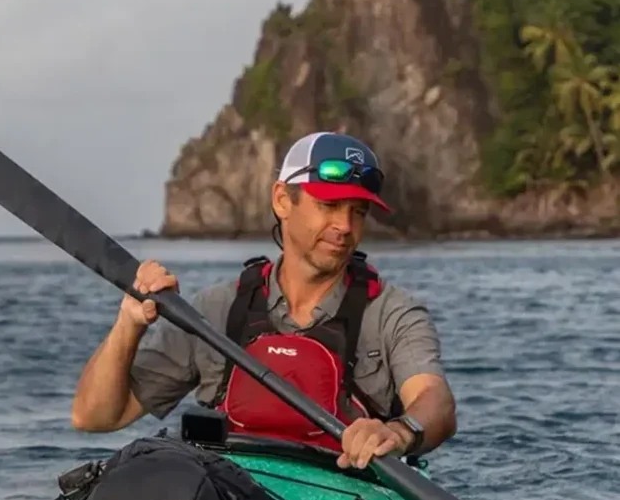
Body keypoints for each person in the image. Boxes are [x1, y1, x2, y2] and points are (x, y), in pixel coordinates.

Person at [71, 132, 456, 469]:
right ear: (282, 201)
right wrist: (129, 323)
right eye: (328, 206)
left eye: (358, 212)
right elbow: (95, 416)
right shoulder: (214, 312)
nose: (344, 226)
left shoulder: (393, 313)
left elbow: (433, 401)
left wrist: (400, 432)